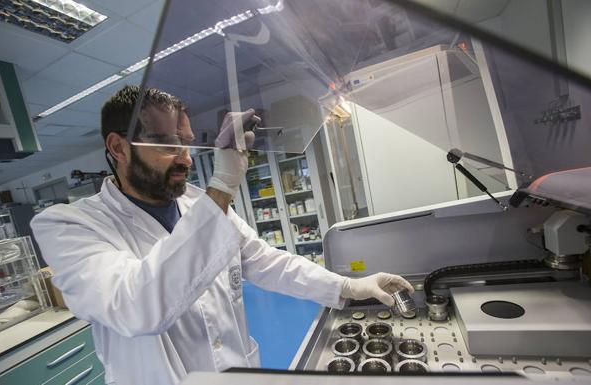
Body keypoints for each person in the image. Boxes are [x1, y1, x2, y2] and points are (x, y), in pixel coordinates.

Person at [31, 85, 413, 385]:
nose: (184, 157)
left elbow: (268, 262)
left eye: (185, 142)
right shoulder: (67, 225)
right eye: (166, 144)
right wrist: (225, 183)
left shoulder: (201, 202)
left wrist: (350, 287)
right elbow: (138, 307)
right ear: (118, 147)